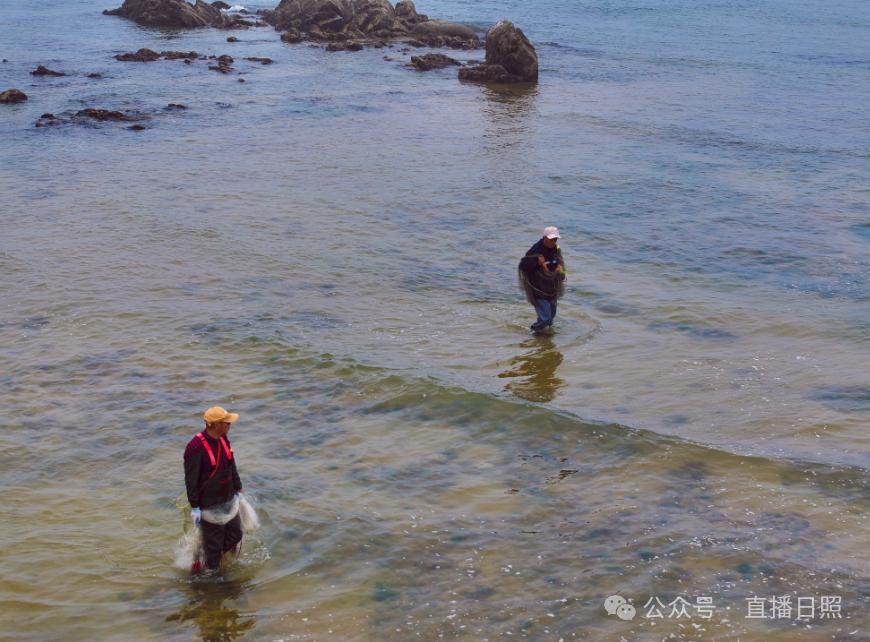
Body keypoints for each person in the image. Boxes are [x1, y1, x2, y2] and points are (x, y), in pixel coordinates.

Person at [184, 406, 244, 571]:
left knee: (236, 534)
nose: (230, 425)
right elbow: (191, 480)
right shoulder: (195, 447)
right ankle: (212, 575)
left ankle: (216, 556)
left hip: (228, 499)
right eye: (227, 423)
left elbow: (231, 464)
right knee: (214, 549)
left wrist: (238, 487)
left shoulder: (223, 438)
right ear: (216, 425)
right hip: (208, 506)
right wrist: (195, 506)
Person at [518, 226, 566, 334]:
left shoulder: (556, 249)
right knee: (545, 319)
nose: (554, 242)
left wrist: (561, 273)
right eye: (551, 239)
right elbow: (523, 265)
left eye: (555, 239)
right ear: (544, 237)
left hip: (552, 289)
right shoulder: (535, 250)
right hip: (538, 290)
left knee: (551, 317)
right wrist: (537, 262)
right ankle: (533, 331)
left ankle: (543, 337)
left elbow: (561, 264)